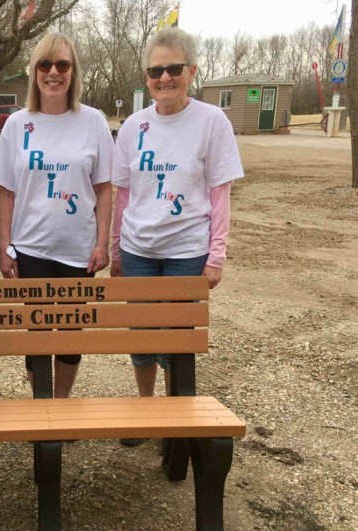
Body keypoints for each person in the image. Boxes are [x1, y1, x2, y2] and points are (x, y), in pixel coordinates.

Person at [110, 27, 244, 445]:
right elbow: (124, 193)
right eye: (155, 70)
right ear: (146, 76)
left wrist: (216, 254)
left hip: (187, 250)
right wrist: (116, 249)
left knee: (178, 343)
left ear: (191, 71)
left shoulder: (211, 121)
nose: (164, 78)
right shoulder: (133, 127)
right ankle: (148, 412)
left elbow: (220, 192)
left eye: (173, 69)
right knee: (143, 337)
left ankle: (175, 421)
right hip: (138, 249)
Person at [0, 32, 113, 398]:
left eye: (62, 64)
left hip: (79, 250)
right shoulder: (16, 125)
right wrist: (5, 247)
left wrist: (102, 242)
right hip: (32, 248)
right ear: (34, 72)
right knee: (37, 333)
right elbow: (6, 191)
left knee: (71, 337)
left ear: (73, 71)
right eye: (45, 64)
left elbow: (105, 188)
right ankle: (40, 404)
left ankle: (60, 404)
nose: (53, 72)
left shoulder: (93, 122)